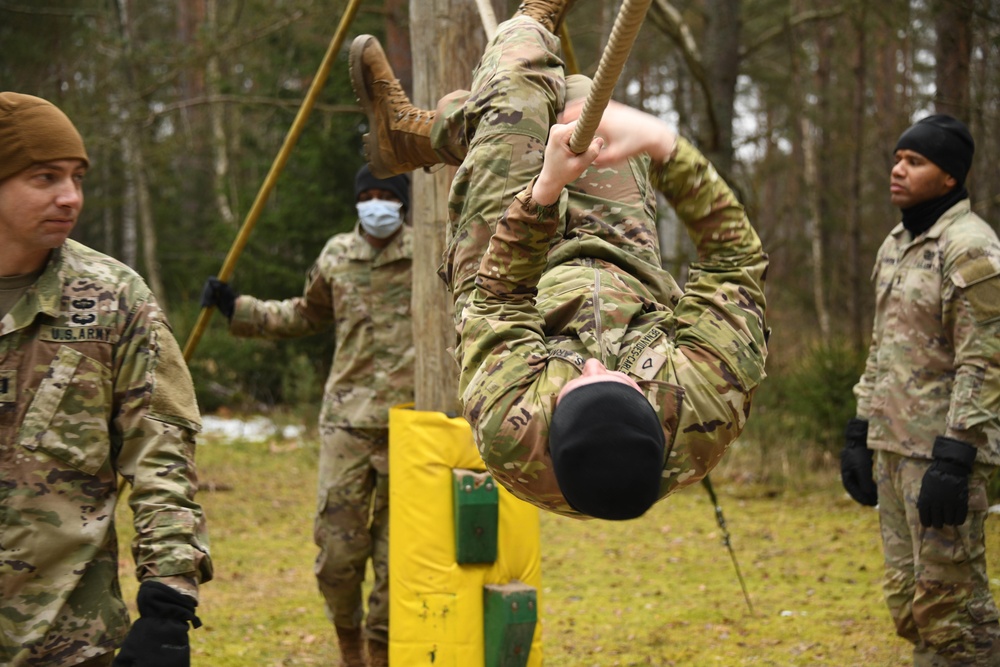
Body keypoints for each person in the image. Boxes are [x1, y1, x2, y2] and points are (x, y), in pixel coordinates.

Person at [348, 0, 768, 522]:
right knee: (577, 99)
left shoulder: (511, 425)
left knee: (520, 85)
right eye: (613, 375)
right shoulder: (705, 400)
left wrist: (545, 191)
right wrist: (667, 149)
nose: (592, 360)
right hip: (622, 258)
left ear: (550, 413)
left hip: (503, 276)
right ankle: (411, 136)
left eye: (575, 376)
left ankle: (530, 19)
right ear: (652, 405)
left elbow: (501, 299)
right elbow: (734, 262)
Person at [0, 92, 212, 667]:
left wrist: (168, 604)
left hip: (63, 641)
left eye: (76, 177)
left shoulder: (114, 300)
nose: (70, 197)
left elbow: (161, 453)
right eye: (45, 177)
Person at [200, 165, 414, 667]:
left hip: (414, 426)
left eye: (388, 196)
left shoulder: (428, 252)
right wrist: (239, 309)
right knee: (338, 550)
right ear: (358, 202)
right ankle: (349, 643)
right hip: (347, 423)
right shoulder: (338, 255)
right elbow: (305, 314)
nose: (378, 204)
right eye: (370, 195)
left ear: (404, 203)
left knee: (398, 555)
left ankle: (380, 653)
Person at [840, 114, 1000, 665]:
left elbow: (986, 357)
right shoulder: (897, 242)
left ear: (950, 177)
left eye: (915, 162)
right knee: (908, 599)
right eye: (898, 158)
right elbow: (885, 344)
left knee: (954, 607)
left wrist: (957, 455)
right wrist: (861, 428)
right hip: (894, 444)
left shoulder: (970, 247)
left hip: (942, 450)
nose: (898, 170)